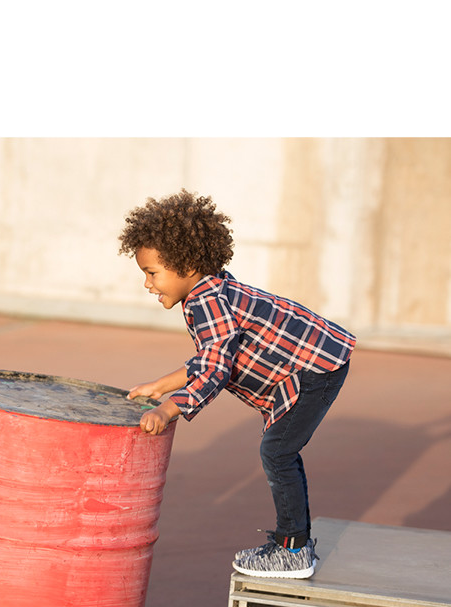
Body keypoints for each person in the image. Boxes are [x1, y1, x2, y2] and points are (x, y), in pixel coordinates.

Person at [119, 190, 355, 579]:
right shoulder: (209, 290)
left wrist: (168, 409)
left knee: (277, 451)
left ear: (187, 265)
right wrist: (162, 384)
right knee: (279, 449)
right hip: (313, 362)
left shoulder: (205, 302)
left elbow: (214, 369)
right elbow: (213, 356)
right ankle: (292, 543)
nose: (147, 283)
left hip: (315, 366)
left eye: (152, 272)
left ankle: (293, 550)